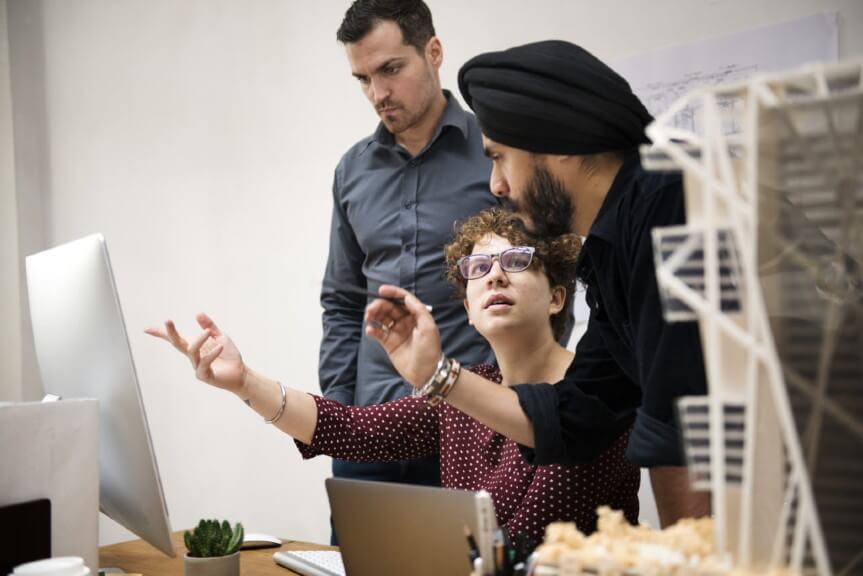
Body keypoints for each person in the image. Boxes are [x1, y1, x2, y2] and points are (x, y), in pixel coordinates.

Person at [365, 40, 711, 528]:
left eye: (500, 157)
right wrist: (436, 372)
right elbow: (576, 417)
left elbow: (683, 431)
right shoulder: (614, 248)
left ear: (561, 144)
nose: (496, 185)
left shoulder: (668, 206)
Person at [146, 208, 639, 544]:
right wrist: (243, 381)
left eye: (516, 261)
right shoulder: (467, 389)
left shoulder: (597, 394)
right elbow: (354, 431)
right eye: (479, 268)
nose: (494, 275)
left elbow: (527, 538)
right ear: (468, 309)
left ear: (557, 296)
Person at [320, 0, 498, 521]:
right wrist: (339, 413)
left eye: (390, 69)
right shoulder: (352, 170)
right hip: (369, 433)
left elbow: (546, 287)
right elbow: (342, 300)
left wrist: (522, 413)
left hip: (473, 429)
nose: (378, 94)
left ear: (433, 52)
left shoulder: (497, 153)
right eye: (363, 78)